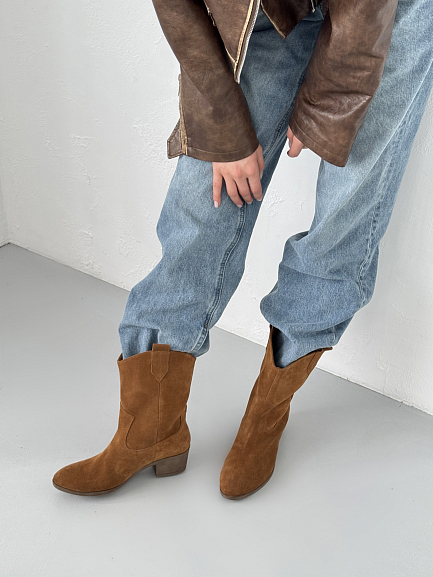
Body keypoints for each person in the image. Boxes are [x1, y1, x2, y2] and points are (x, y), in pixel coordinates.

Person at [52, 0, 433, 499]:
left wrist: (326, 105)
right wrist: (225, 128)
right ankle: (151, 429)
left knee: (345, 214)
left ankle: (266, 414)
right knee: (202, 198)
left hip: (391, 10)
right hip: (273, 8)